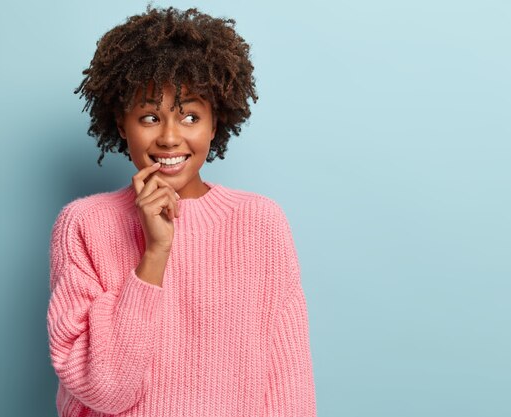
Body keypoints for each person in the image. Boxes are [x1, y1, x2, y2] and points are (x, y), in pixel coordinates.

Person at [46, 5, 317, 417]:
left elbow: (287, 382)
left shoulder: (260, 222)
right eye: (150, 117)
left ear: (215, 122)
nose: (170, 138)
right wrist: (155, 254)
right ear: (122, 124)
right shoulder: (84, 225)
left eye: (190, 116)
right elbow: (105, 389)